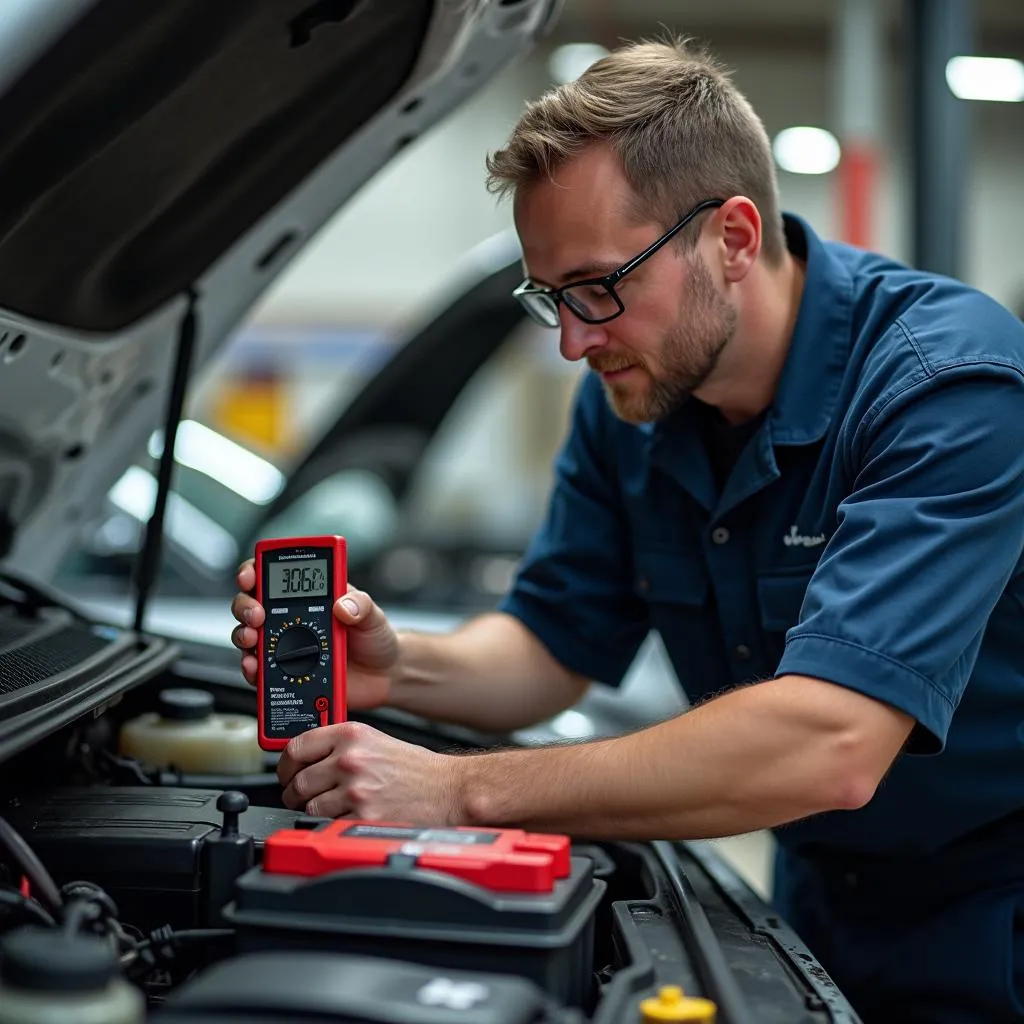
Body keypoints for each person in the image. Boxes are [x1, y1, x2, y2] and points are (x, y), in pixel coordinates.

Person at [230, 36, 1024, 1022]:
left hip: (996, 912)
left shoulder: (945, 388)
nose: (572, 341)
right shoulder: (634, 405)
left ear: (732, 237)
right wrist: (401, 667)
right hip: (818, 894)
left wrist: (458, 791)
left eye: (599, 288)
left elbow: (830, 742)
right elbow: (550, 647)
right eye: (549, 299)